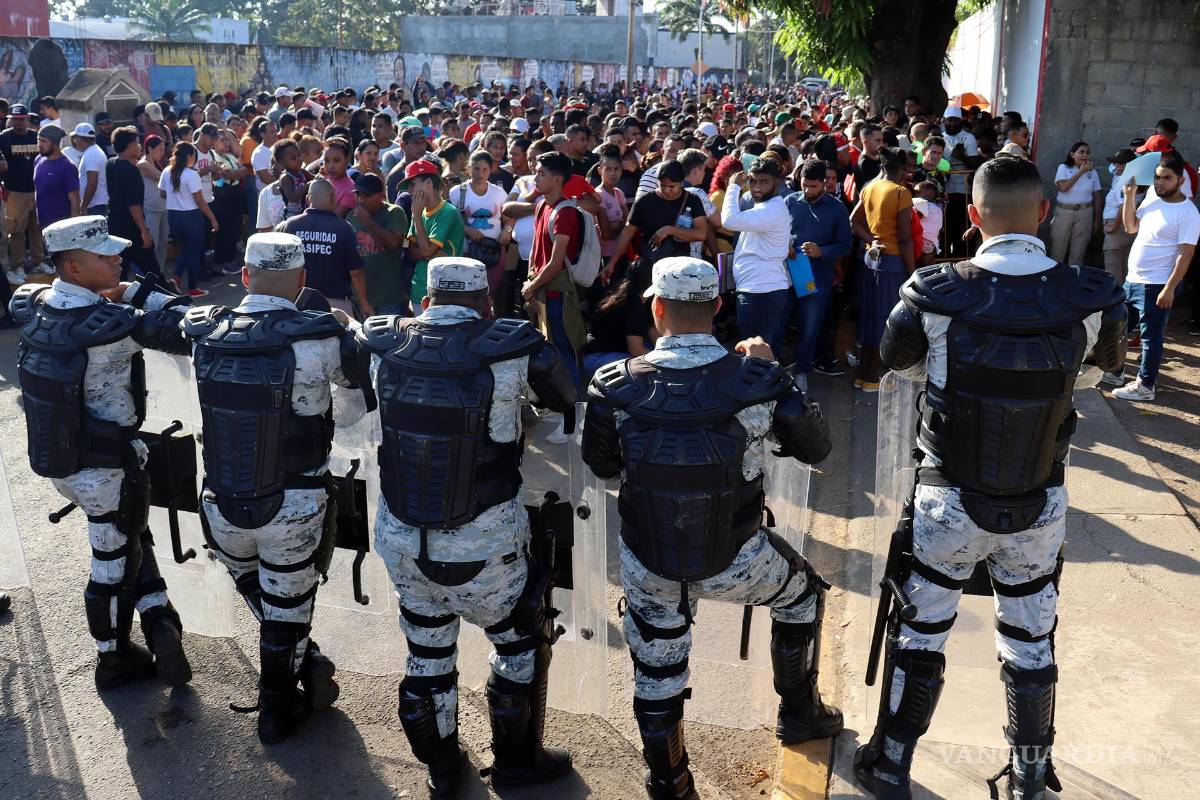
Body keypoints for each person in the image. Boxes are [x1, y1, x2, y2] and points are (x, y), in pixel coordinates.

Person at [856, 155, 1127, 800]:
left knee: (921, 628)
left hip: (949, 494)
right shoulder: (1090, 295)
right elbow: (1096, 375)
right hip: (1039, 497)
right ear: (1042, 213)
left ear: (972, 217)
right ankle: (1031, 775)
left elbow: (899, 365)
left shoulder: (934, 293)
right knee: (1031, 636)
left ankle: (893, 762)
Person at [581, 257, 842, 800]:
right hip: (736, 557)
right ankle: (799, 713)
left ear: (656, 309)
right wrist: (776, 370)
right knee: (802, 597)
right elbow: (817, 447)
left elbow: (603, 468)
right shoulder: (757, 382)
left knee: (657, 668)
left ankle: (670, 782)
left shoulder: (613, 386)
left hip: (649, 559)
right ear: (719, 307)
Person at [356, 257, 578, 796]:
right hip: (485, 543)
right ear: (484, 302)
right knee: (517, 643)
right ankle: (516, 763)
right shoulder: (513, 349)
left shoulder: (382, 345)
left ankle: (442, 768)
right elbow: (567, 404)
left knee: (427, 651)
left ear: (427, 300)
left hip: (402, 538)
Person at [182, 231, 367, 744]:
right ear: (303, 280)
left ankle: (305, 665)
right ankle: (276, 712)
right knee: (287, 611)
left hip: (220, 503)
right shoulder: (321, 337)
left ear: (243, 276)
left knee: (254, 585)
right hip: (293, 506)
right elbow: (352, 419)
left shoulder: (206, 331)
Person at [8, 215, 197, 692]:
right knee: (110, 562)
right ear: (73, 268)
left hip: (62, 458)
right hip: (109, 464)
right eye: (104, 255)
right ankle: (112, 656)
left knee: (131, 536)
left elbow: (41, 300)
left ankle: (158, 617)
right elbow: (186, 325)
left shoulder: (31, 305)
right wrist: (135, 292)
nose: (117, 259)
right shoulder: (115, 325)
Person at [1113, 155, 1200, 402]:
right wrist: (1130, 195)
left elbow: (1186, 254)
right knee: (1120, 329)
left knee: (1151, 337)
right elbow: (1130, 227)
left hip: (1157, 284)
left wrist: (1170, 288)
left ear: (1181, 180)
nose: (1160, 183)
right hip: (1133, 280)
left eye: (1167, 178)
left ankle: (1146, 385)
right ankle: (1116, 373)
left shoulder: (1188, 213)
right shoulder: (1151, 197)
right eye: (1158, 177)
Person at [850, 147, 914, 392]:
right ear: (900, 170)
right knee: (885, 321)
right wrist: (911, 271)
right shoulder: (901, 193)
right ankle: (873, 379)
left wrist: (871, 241)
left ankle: (862, 376)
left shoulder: (869, 188)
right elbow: (905, 239)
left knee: (869, 318)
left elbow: (854, 222)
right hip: (893, 263)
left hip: (870, 261)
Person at [784, 159, 853, 387]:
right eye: (804, 185)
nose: (807, 190)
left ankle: (802, 371)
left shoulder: (837, 208)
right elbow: (776, 233)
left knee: (810, 326)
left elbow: (845, 245)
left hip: (817, 278)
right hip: (785, 276)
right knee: (782, 323)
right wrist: (786, 246)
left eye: (813, 186)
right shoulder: (789, 202)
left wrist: (821, 251)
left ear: (824, 183)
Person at [721, 157, 792, 354]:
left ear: (777, 182)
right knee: (759, 353)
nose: (757, 187)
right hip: (759, 289)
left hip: (761, 291)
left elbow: (728, 220)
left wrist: (733, 187)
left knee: (755, 354)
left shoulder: (772, 209)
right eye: (753, 181)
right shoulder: (764, 207)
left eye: (764, 181)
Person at [277, 178, 373, 318]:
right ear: (333, 197)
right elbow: (356, 272)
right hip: (336, 305)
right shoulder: (343, 228)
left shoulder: (290, 225)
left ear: (308, 199)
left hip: (298, 303)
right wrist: (364, 304)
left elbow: (281, 267)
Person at [401, 159, 464, 312]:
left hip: (444, 294)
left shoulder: (447, 212)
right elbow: (407, 249)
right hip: (418, 291)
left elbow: (426, 250)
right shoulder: (419, 211)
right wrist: (428, 253)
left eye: (413, 184)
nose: (409, 191)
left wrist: (416, 216)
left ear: (429, 183)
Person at [159, 142, 218, 297]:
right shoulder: (191, 175)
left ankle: (176, 278)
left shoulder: (166, 171)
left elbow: (163, 194)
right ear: (189, 156)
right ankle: (192, 288)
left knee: (184, 249)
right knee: (193, 251)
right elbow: (200, 201)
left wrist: (176, 196)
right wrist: (213, 218)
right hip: (191, 216)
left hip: (173, 215)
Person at [348, 173, 410, 315]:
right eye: (358, 195)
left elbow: (393, 243)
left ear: (381, 194)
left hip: (389, 300)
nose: (361, 200)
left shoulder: (394, 212)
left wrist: (368, 222)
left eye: (366, 195)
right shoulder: (352, 216)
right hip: (359, 300)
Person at [449, 150, 510, 294]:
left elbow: (508, 218)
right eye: (476, 168)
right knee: (469, 292)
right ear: (469, 168)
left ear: (491, 170)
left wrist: (507, 230)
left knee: (490, 292)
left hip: (493, 251)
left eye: (484, 169)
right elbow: (451, 219)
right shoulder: (457, 192)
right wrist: (468, 230)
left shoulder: (499, 192)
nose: (480, 173)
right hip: (467, 251)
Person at [2, 105, 47, 283]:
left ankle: (38, 262)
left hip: (35, 189)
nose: (19, 121)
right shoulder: (4, 138)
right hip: (14, 191)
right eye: (16, 118)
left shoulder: (35, 137)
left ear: (27, 118)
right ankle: (18, 266)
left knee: (36, 229)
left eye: (22, 118)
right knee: (16, 231)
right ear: (11, 119)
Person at [106, 126, 159, 278]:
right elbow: (134, 205)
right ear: (128, 146)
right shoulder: (131, 170)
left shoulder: (111, 163)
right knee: (152, 272)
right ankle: (165, 299)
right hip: (132, 229)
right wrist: (144, 231)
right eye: (136, 143)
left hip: (115, 227)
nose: (139, 146)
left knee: (120, 272)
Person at [1050, 141, 1103, 266]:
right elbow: (1063, 188)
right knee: (1058, 249)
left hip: (1085, 213)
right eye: (1081, 152)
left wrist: (1097, 219)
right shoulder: (1063, 168)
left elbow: (1097, 196)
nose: (1085, 155)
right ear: (1072, 154)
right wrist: (1081, 172)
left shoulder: (1093, 173)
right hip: (1064, 212)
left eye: (1087, 152)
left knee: (1078, 252)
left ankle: (1073, 280)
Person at [940, 107, 980, 257]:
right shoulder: (940, 137)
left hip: (964, 190)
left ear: (960, 121)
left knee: (962, 225)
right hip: (945, 190)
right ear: (944, 120)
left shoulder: (969, 138)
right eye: (948, 120)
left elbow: (974, 163)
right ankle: (944, 257)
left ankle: (961, 257)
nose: (951, 123)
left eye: (954, 120)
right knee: (946, 227)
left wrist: (962, 157)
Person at [1100, 147, 1138, 286]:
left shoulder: (1124, 180)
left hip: (1118, 227)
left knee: (1113, 268)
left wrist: (1113, 226)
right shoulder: (1125, 178)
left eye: (1119, 163)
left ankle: (1114, 303)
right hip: (1123, 226)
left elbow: (1124, 206)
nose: (1115, 165)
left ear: (1125, 165)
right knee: (1121, 267)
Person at [33, 124, 80, 233]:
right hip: (44, 226)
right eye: (38, 140)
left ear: (54, 143)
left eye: (43, 141)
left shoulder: (67, 166)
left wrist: (74, 230)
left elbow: (75, 201)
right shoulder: (38, 160)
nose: (39, 145)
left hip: (63, 228)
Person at [137, 136, 170, 270]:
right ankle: (150, 274)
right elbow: (162, 179)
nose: (163, 152)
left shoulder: (158, 164)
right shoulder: (143, 164)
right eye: (160, 149)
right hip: (150, 209)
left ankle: (159, 273)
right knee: (153, 244)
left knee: (163, 244)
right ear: (150, 149)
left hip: (164, 208)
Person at [75, 123, 109, 216]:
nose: (75, 141)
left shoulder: (92, 154)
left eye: (75, 138)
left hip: (95, 206)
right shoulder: (93, 151)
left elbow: (92, 182)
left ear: (80, 138)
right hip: (95, 204)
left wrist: (84, 205)